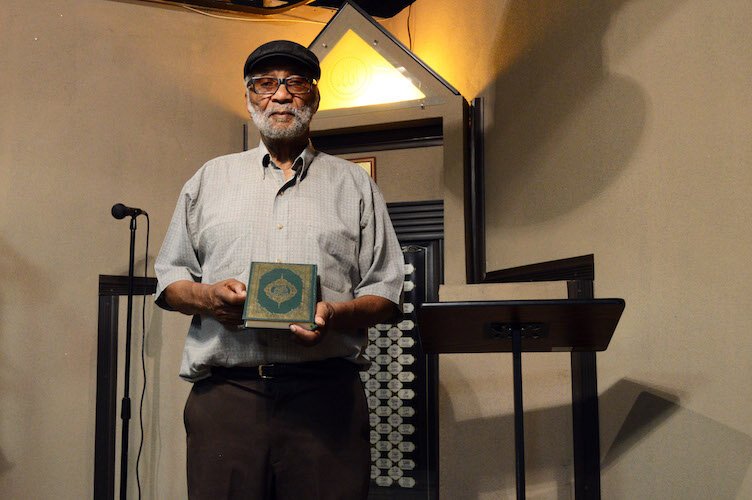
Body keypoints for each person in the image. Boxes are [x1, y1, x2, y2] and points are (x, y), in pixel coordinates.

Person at [154, 40, 404, 500]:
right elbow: (169, 280)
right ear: (250, 97)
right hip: (227, 398)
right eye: (266, 84)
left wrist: (334, 313)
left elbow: (387, 294)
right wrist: (210, 298)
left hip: (326, 399)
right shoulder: (209, 179)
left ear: (315, 97)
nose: (281, 95)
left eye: (296, 83)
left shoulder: (355, 185)